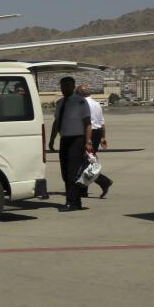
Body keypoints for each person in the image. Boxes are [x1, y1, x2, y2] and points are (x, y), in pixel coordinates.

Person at [47, 75, 94, 211]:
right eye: (62, 86)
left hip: (77, 139)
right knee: (64, 172)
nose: (64, 88)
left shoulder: (81, 102)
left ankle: (73, 202)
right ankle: (74, 201)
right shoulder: (60, 102)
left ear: (73, 86)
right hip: (65, 139)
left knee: (72, 172)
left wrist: (88, 141)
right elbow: (57, 122)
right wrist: (52, 139)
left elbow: (87, 124)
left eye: (67, 85)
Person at [77, 84, 113, 198]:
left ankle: (103, 181)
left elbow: (84, 122)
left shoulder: (83, 103)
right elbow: (102, 122)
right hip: (97, 133)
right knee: (87, 161)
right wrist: (103, 137)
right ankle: (83, 189)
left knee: (85, 161)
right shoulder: (96, 103)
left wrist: (87, 139)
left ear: (79, 94)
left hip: (88, 133)